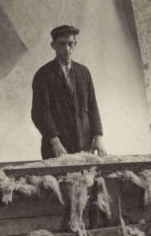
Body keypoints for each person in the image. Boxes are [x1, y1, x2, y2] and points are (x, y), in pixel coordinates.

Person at [31, 25, 107, 159]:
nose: (66, 49)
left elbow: (92, 106)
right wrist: (54, 142)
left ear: (75, 44)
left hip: (85, 146)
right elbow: (39, 113)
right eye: (61, 44)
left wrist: (98, 137)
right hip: (57, 148)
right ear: (53, 45)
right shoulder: (43, 75)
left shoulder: (84, 72)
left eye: (70, 44)